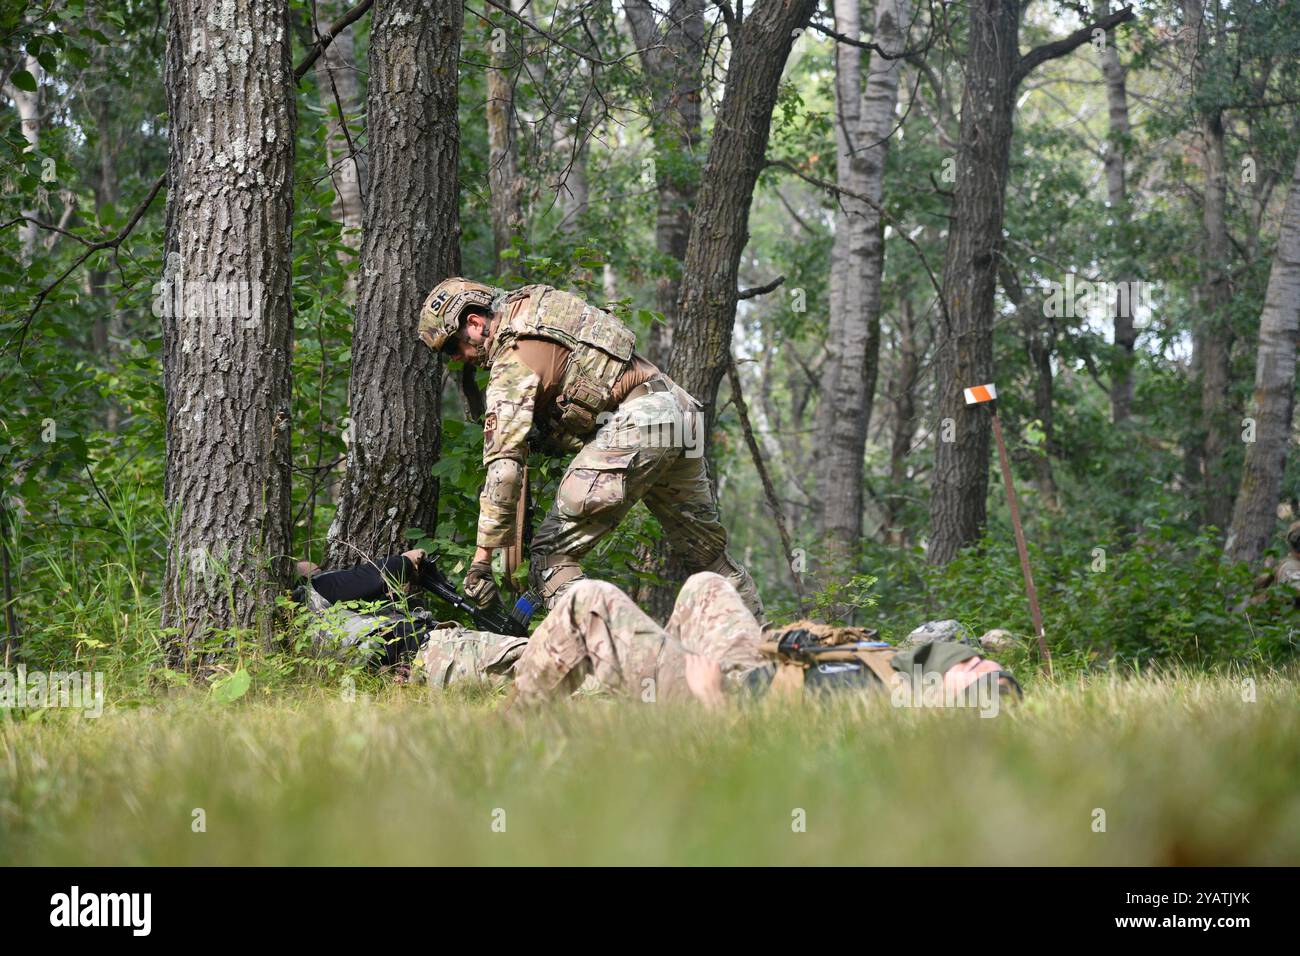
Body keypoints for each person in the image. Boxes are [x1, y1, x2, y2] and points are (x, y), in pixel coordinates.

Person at [415, 277, 763, 620]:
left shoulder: (511, 360)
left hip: (637, 425)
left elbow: (504, 471)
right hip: (675, 411)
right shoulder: (537, 309)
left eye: (452, 346)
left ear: (475, 323)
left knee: (551, 558)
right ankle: (763, 658)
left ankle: (615, 657)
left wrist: (481, 560)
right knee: (707, 556)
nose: (457, 358)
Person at [504, 572, 1021, 712]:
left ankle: (510, 737)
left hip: (721, 698)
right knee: (707, 585)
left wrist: (710, 702)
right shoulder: (906, 675)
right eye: (978, 660)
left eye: (978, 671)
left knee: (587, 600)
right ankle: (650, 702)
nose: (979, 662)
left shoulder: (882, 723)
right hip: (754, 669)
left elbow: (771, 763)